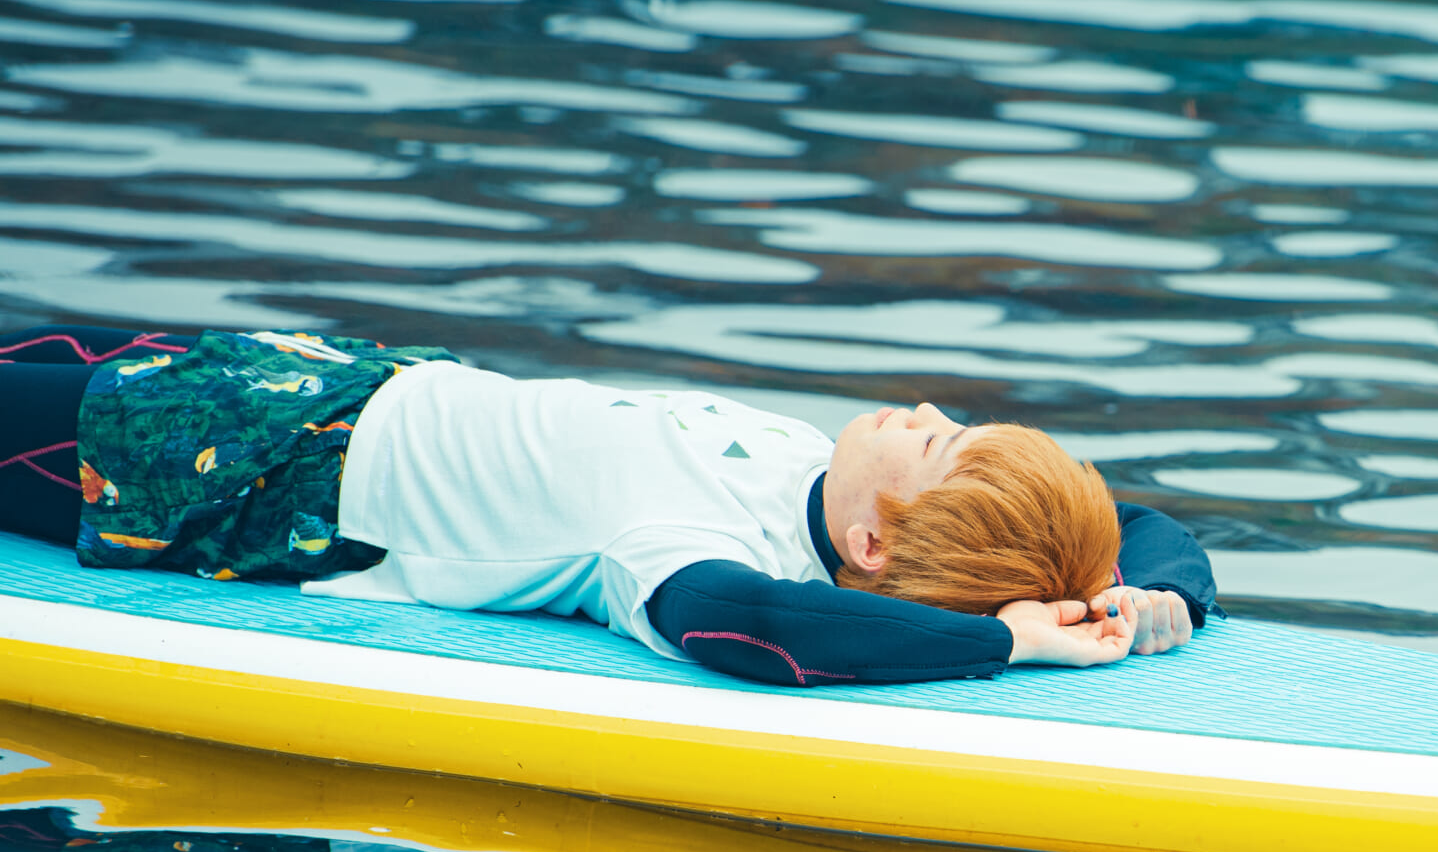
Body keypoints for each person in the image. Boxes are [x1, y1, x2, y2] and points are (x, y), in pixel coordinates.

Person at [0, 323, 1213, 686]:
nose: (922, 408)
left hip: (234, 465)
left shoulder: (691, 552)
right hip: (321, 375)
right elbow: (1155, 532)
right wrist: (1139, 596)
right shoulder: (809, 478)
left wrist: (1002, 637)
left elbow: (758, 636)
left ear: (874, 542)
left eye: (939, 445)